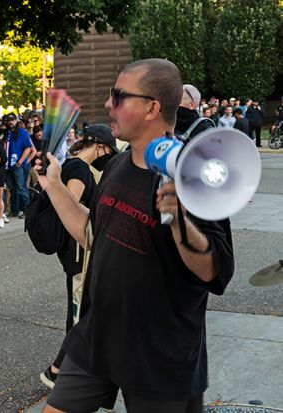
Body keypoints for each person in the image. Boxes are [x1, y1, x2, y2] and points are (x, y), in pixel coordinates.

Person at [38, 58, 234, 413]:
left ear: (151, 108)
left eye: (119, 96)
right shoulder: (115, 165)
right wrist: (53, 185)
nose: (108, 104)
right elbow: (92, 232)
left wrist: (178, 221)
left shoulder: (196, 177)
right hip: (97, 338)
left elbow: (214, 271)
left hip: (160, 357)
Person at [39, 124, 118, 390]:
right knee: (81, 310)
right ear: (99, 146)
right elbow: (69, 204)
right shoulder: (80, 169)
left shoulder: (70, 165)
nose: (108, 155)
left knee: (82, 308)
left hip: (74, 249)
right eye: (108, 149)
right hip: (77, 250)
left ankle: (65, 369)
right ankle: (58, 371)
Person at [5, 113, 32, 219]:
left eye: (12, 120)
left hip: (17, 165)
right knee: (12, 189)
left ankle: (27, 210)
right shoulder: (7, 133)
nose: (10, 122)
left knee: (21, 188)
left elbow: (28, 148)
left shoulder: (23, 133)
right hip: (8, 165)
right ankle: (15, 210)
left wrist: (20, 162)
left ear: (16, 121)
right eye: (9, 120)